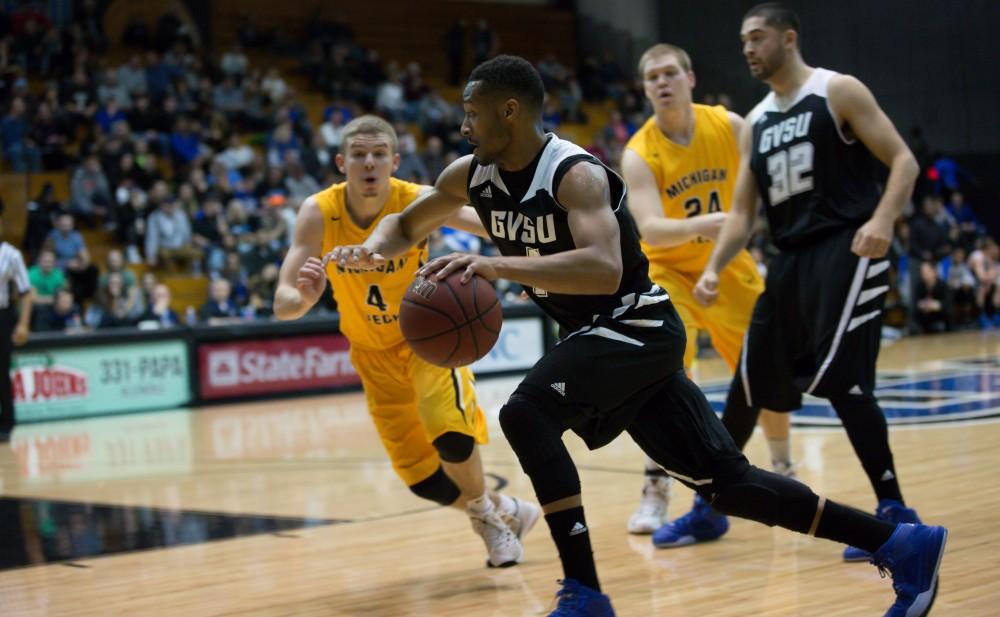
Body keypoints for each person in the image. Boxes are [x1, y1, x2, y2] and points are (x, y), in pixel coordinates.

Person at [329, 54, 947, 617]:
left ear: (508, 111)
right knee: (730, 487)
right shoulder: (470, 175)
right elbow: (406, 225)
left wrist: (497, 264)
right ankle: (900, 542)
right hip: (602, 337)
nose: (462, 126)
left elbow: (604, 267)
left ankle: (585, 594)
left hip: (636, 324)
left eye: (471, 114)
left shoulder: (575, 175)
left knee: (525, 413)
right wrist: (369, 249)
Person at [691, 3, 928, 564]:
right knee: (748, 382)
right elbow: (743, 215)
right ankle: (710, 504)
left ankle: (894, 508)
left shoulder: (838, 91)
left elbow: (904, 162)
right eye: (742, 40)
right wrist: (713, 267)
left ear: (788, 37)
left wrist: (882, 219)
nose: (747, 49)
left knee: (843, 377)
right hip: (791, 259)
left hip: (847, 245)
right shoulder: (757, 122)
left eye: (757, 38)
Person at [274, 115, 540, 568]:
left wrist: (530, 256)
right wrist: (303, 297)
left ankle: (488, 522)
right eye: (359, 155)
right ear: (342, 163)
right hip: (371, 356)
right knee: (422, 480)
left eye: (379, 154)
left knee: (450, 433)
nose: (369, 163)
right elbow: (282, 302)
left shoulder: (414, 199)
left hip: (426, 344)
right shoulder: (318, 212)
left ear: (395, 161)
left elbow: (492, 225)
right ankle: (503, 511)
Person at [621, 43, 794, 540]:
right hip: (669, 274)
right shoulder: (638, 152)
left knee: (766, 370)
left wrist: (733, 230)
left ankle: (783, 470)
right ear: (645, 87)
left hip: (730, 266)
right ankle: (657, 487)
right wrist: (716, 222)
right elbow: (651, 230)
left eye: (670, 72)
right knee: (664, 379)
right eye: (652, 76)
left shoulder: (731, 126)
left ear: (690, 78)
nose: (662, 81)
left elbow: (760, 189)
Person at [0, 213, 34, 442]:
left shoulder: (11, 254)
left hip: (2, 316)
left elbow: (26, 292)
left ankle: (7, 422)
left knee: (1, 371)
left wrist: (23, 323)